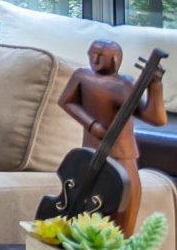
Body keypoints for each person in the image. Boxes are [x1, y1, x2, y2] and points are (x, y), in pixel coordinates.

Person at [55, 40, 167, 231]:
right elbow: (65, 101)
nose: (95, 59)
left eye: (101, 56)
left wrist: (155, 86)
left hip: (123, 155)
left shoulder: (124, 84)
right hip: (90, 152)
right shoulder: (81, 76)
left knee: (125, 209)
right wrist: (91, 124)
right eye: (92, 53)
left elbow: (156, 119)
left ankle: (120, 249)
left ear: (115, 60)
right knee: (83, 207)